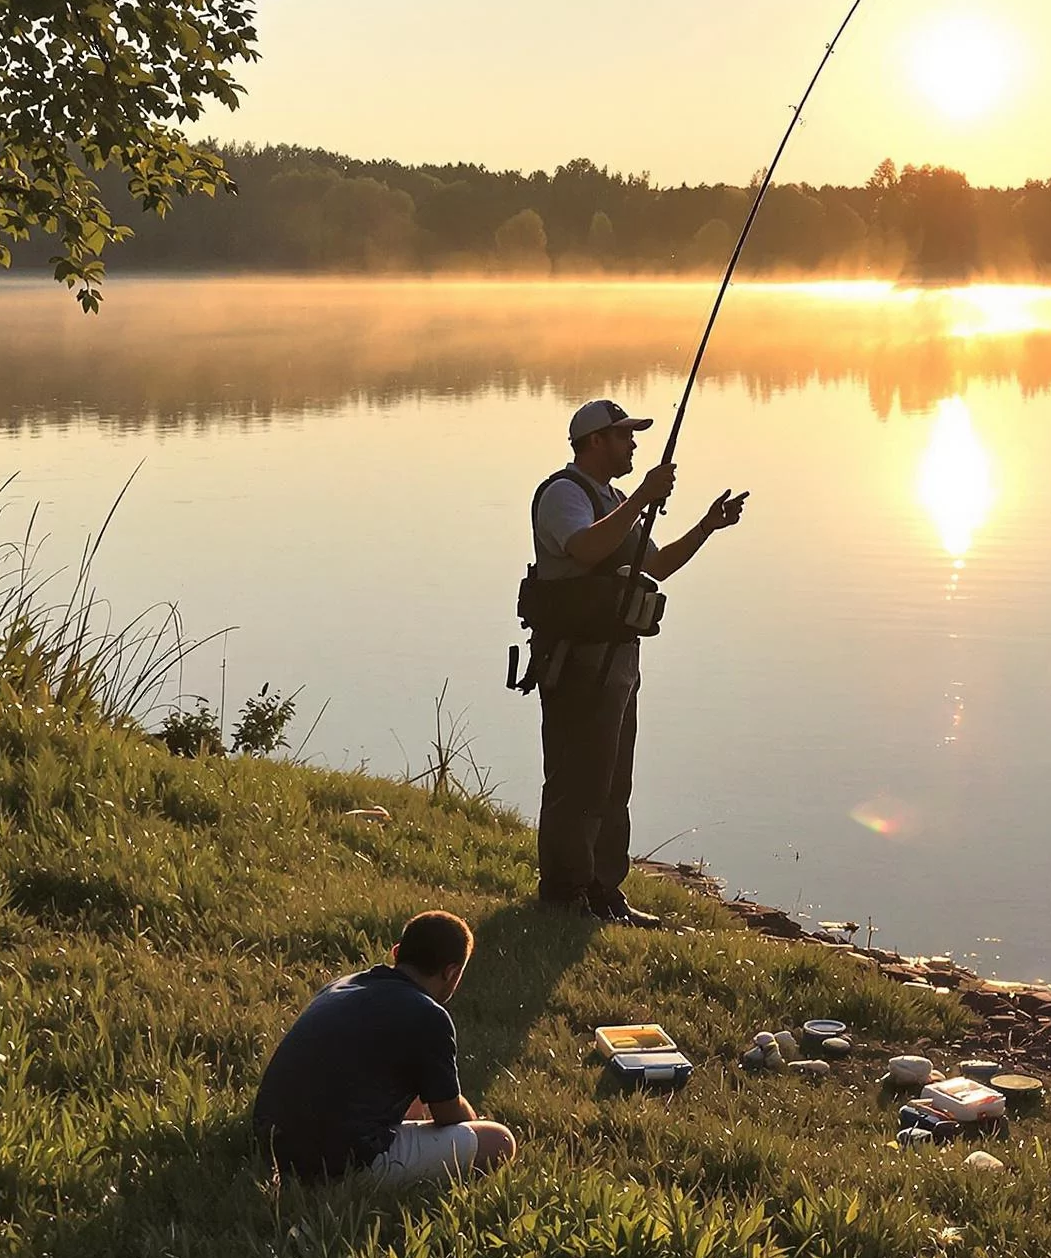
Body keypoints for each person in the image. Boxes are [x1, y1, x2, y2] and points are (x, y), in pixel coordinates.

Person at [529, 397, 747, 923]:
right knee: (576, 779)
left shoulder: (614, 497)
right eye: (625, 435)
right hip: (577, 658)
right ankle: (565, 893)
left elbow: (658, 565)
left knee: (612, 780)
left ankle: (604, 891)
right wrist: (643, 497)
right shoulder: (564, 493)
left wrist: (705, 526)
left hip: (619, 658)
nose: (633, 444)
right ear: (595, 441)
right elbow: (583, 549)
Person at [252, 910, 516, 1184]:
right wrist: (473, 1122)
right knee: (498, 1140)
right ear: (451, 973)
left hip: (272, 1141)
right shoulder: (429, 1015)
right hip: (340, 1161)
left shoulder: (341, 985)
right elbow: (447, 1112)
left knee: (414, 1091)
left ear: (397, 952)